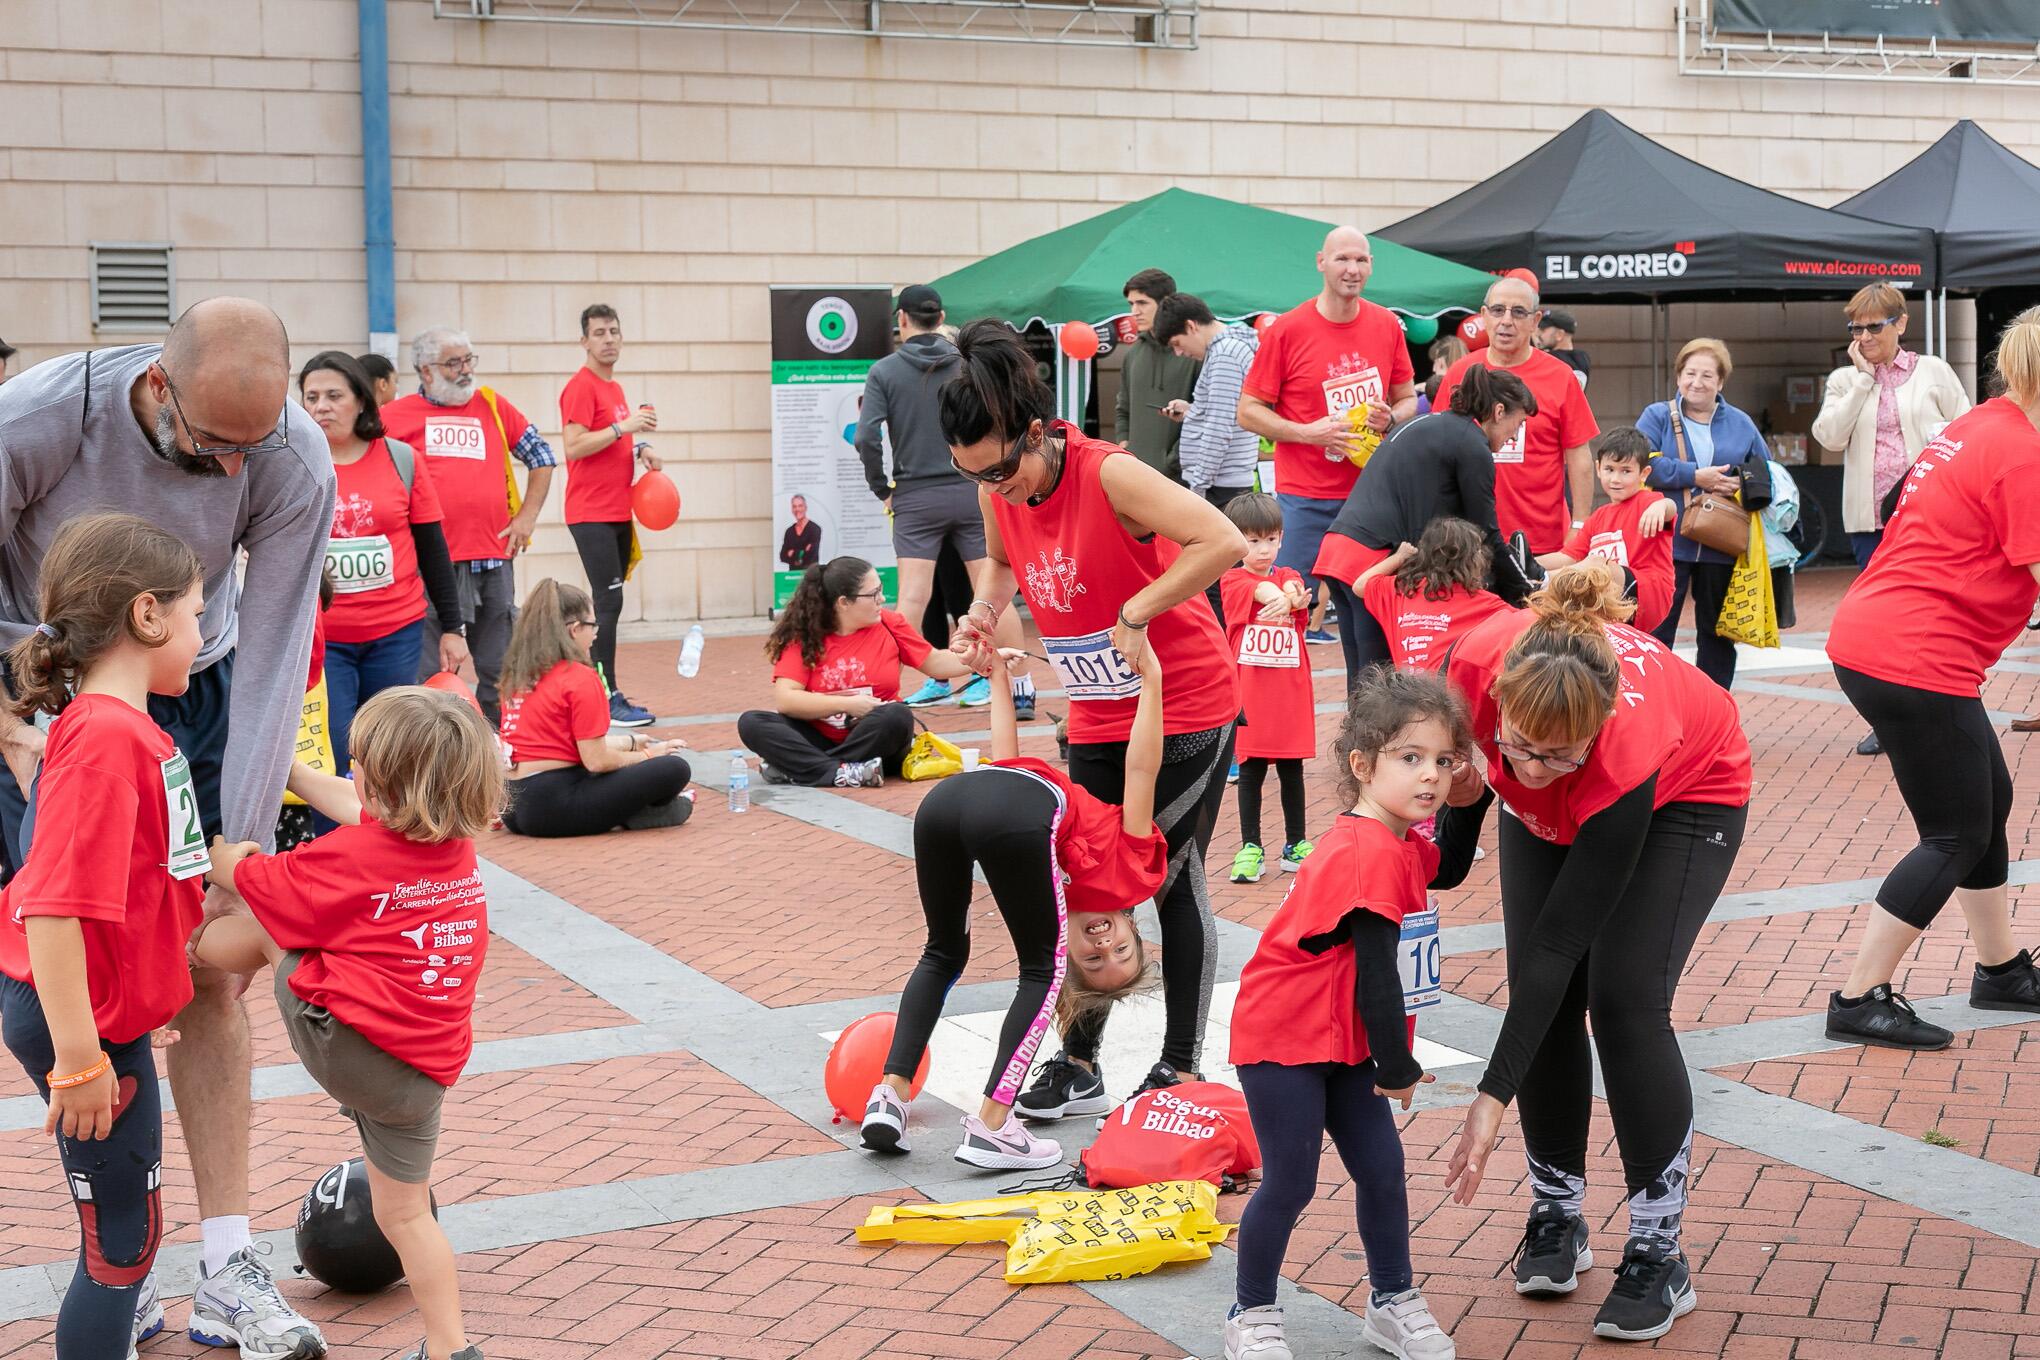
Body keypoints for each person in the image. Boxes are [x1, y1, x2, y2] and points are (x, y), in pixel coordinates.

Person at [0, 298, 334, 1356]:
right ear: (157, 387)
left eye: (256, 446)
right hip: (43, 686)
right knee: (92, 977)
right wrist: (12, 716)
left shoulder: (292, 453)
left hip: (192, 679)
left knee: (208, 974)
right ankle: (128, 1252)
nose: (239, 471)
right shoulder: (44, 416)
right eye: (213, 446)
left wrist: (245, 842)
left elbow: (278, 640)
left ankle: (228, 1265)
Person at [1438, 563, 1751, 1346]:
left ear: (1595, 727)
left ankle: (1657, 1248)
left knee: (1622, 1003)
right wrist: (1457, 825)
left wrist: (1489, 1097)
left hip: (1687, 794)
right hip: (1572, 772)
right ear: (1499, 702)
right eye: (1524, 749)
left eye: (1558, 756)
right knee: (1541, 1007)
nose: (1538, 771)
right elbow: (1457, 782)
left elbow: (1557, 947)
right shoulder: (1476, 663)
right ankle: (1558, 1209)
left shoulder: (1622, 750)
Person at [942, 319, 1243, 1115]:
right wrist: (981, 612)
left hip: (1183, 702)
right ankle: (1081, 1062)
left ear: (1037, 433)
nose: (995, 487)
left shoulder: (1109, 475)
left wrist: (1139, 609)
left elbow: (1222, 539)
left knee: (1169, 877)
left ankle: (1180, 1064)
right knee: (1089, 886)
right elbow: (1004, 565)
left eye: (1003, 468)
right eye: (974, 474)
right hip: (1099, 711)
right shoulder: (995, 486)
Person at [193, 686, 504, 1360]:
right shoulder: (453, 848)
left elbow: (249, 876)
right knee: (406, 1216)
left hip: (352, 1050)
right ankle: (452, 1349)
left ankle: (179, 964)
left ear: (380, 781)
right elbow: (356, 810)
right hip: (422, 1074)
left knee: (277, 936)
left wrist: (223, 853)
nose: (350, 771)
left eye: (355, 761)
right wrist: (297, 776)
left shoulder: (346, 862)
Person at [1224, 669, 1486, 1360]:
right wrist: (1397, 1067)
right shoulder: (1364, 849)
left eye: (1441, 760)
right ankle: (1250, 1311)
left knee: (1381, 1167)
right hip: (1284, 1038)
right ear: (1363, 765)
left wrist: (1472, 798)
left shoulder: (1393, 838)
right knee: (1292, 1179)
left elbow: (1448, 869)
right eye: (1411, 758)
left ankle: (1391, 1300)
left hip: (1343, 1040)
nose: (1430, 775)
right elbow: (1376, 972)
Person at [0, 514, 206, 1360]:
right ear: (148, 616)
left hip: (95, 1016)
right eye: (197, 614)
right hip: (75, 1024)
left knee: (131, 1235)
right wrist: (80, 1060)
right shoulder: (103, 737)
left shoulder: (120, 729)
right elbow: (50, 908)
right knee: (119, 1247)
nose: (202, 633)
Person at [1822, 306, 2040, 1052]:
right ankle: (1857, 996)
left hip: (1884, 635)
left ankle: (2001, 969)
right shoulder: (2022, 453)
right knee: (1954, 831)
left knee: (1990, 799)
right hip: (1914, 654)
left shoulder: (1985, 423)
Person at [863, 640, 1167, 1171]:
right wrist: (1152, 684)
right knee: (1038, 973)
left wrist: (996, 678)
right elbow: (1141, 771)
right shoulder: (1132, 872)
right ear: (1129, 925)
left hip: (949, 805)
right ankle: (994, 1125)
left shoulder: (1050, 895)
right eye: (1121, 947)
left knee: (942, 953)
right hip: (988, 797)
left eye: (1094, 960)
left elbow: (1004, 766)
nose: (1102, 943)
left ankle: (888, 1095)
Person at [1811, 284, 1971, 755]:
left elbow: (1966, 431)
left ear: (1900, 324)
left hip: (1928, 516)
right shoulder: (1845, 379)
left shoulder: (1934, 372)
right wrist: (1863, 380)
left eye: (1873, 326)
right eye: (1855, 328)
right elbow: (1829, 437)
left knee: (1933, 613)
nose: (1864, 336)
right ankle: (1890, 720)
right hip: (1869, 521)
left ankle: (1942, 708)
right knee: (1880, 622)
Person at [1238, 227, 1419, 630]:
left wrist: (1391, 416)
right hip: (1304, 496)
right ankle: (1276, 692)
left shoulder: (1387, 324)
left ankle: (1366, 695)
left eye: (1361, 260)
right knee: (1287, 604)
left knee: (1369, 610)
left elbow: (1407, 398)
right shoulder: (1288, 329)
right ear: (1321, 262)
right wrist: (1307, 432)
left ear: (1371, 266)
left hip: (1370, 492)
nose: (1352, 269)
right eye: (1343, 259)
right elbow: (1248, 411)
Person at [1312, 365, 1539, 685]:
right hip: (1373, 558)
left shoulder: (1429, 422)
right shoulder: (1472, 443)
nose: (1517, 434)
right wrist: (1524, 592)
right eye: (1520, 422)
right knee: (1381, 691)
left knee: (1362, 687)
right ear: (1500, 411)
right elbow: (1485, 531)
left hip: (1339, 549)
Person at [300, 352, 469, 774]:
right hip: (325, 640)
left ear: (360, 400)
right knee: (337, 749)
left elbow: (433, 549)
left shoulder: (401, 459)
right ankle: (336, 839)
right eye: (311, 396)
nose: (321, 406)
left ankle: (393, 837)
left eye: (334, 395)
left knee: (392, 748)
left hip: (396, 633)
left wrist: (452, 627)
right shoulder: (294, 465)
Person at [856, 284, 1021, 715]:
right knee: (992, 591)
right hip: (973, 487)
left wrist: (882, 487)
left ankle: (884, 692)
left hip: (914, 494)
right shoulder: (964, 363)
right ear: (941, 316)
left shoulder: (885, 371)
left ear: (902, 320)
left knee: (911, 597)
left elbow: (865, 436)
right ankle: (1018, 688)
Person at [381, 327, 557, 725]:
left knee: (500, 668)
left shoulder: (493, 407)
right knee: (428, 675)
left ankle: (496, 745)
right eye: (453, 363)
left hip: (492, 561)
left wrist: (526, 518)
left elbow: (542, 456)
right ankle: (435, 751)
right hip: (427, 567)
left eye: (468, 361)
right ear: (426, 371)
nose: (464, 371)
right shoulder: (393, 417)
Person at [738, 557, 974, 788]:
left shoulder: (890, 623)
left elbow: (934, 661)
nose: (882, 599)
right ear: (844, 602)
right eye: (873, 594)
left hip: (876, 739)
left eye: (881, 590)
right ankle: (842, 771)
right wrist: (847, 705)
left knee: (897, 714)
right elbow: (787, 699)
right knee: (752, 722)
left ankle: (810, 768)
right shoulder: (806, 634)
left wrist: (979, 657)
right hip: (821, 735)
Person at [497, 580, 694, 836]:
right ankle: (636, 813)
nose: (596, 633)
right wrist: (649, 756)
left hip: (513, 804)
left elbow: (561, 746)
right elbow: (596, 761)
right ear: (574, 629)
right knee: (674, 768)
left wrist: (631, 743)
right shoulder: (578, 676)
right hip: (554, 804)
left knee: (632, 769)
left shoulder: (519, 674)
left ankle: (630, 812)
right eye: (592, 625)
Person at [1636, 338, 1771, 689]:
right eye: (1690, 373)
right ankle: (1654, 702)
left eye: (1707, 375)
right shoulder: (1657, 416)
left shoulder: (1741, 423)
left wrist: (1737, 483)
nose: (1697, 382)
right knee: (1657, 628)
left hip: (1721, 541)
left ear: (1721, 382)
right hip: (1667, 541)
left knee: (1716, 634)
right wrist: (1695, 475)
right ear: (1678, 376)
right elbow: (1641, 462)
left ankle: (1713, 708)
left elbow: (1765, 470)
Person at [1434, 277, 1599, 559]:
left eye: (1518, 312)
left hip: (1542, 542)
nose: (1506, 321)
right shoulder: (1460, 373)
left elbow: (1579, 457)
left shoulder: (1560, 376)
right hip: (1469, 540)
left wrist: (1580, 526)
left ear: (1535, 320)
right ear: (1484, 316)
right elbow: (1437, 453)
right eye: (1498, 310)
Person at [558, 303, 664, 728]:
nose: (608, 340)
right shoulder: (581, 387)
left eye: (614, 332)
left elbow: (610, 442)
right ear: (584, 340)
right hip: (590, 512)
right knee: (608, 601)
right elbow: (574, 445)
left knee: (610, 602)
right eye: (599, 333)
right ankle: (605, 695)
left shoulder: (614, 389)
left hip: (618, 510)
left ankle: (597, 690)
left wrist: (640, 449)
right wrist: (627, 428)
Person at [1215, 494, 1314, 885]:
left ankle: (1296, 843)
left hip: (1289, 690)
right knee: (1252, 768)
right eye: (1252, 540)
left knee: (1293, 768)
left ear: (1281, 538)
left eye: (1270, 539)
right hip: (1252, 691)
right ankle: (1250, 846)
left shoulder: (1288, 573)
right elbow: (1266, 593)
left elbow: (1291, 584)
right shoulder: (1233, 578)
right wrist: (1286, 599)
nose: (1263, 549)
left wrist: (1290, 597)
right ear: (1235, 541)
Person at [1539, 427, 1674, 634]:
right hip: (1611, 601)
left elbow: (1669, 509)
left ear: (1644, 474)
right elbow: (1568, 556)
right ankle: (1534, 577)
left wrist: (1661, 506)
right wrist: (1529, 563)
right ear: (1599, 468)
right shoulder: (1599, 516)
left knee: (1597, 566)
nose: (1615, 479)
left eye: (1626, 471)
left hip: (1648, 592)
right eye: (1610, 469)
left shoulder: (1648, 502)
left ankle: (1542, 582)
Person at [1354, 519, 1517, 672]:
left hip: (1405, 695)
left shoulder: (1401, 590)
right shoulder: (1486, 604)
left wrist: (1399, 557)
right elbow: (1529, 627)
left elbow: (1359, 585)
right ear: (1473, 560)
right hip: (1451, 698)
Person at [1153, 293, 1262, 510]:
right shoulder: (1227, 350)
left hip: (1220, 486)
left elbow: (1219, 426)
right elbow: (1226, 413)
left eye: (1177, 343)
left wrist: (1198, 486)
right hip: (1223, 481)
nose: (1179, 352)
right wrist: (1194, 411)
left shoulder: (1225, 355)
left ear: (1191, 326)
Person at [1115, 268, 1200, 483]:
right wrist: (1125, 446)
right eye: (1131, 304)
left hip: (1182, 480)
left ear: (1165, 303)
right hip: (1137, 476)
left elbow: (1204, 415)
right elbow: (1122, 409)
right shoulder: (1133, 353)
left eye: (1142, 303)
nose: (1134, 311)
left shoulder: (1192, 351)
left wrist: (1172, 462)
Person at [1536, 309, 1590, 390]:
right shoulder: (1582, 358)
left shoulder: (1551, 359)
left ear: (1559, 334)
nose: (1539, 335)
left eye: (1543, 330)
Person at [779, 494, 822, 570]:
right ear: (792, 509)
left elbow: (812, 555)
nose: (797, 509)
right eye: (794, 506)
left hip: (810, 576)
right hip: (792, 576)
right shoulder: (789, 531)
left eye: (800, 506)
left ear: (805, 508)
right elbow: (783, 556)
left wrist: (792, 553)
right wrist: (803, 552)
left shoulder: (814, 529)